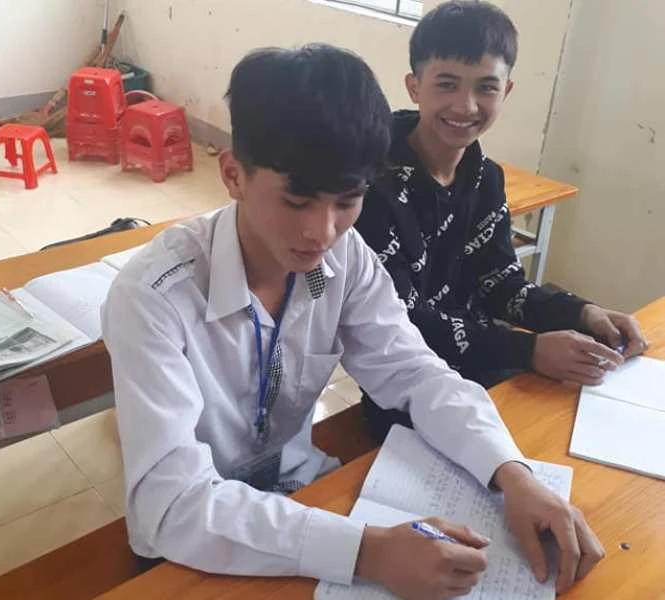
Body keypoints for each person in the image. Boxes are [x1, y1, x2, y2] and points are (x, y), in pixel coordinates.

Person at [101, 43, 603, 599]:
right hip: (201, 534)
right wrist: (367, 552)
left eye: (348, 201)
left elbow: (416, 374)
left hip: (301, 492)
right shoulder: (154, 298)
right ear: (233, 174)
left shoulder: (343, 258)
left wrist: (510, 472)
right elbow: (168, 504)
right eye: (297, 202)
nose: (322, 232)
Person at [354, 0, 647, 441]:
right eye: (447, 84)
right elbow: (397, 323)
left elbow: (499, 282)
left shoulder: (484, 177)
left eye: (486, 87)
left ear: (506, 91)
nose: (466, 105)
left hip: (484, 367)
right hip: (403, 389)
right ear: (414, 87)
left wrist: (581, 313)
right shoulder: (370, 186)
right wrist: (529, 349)